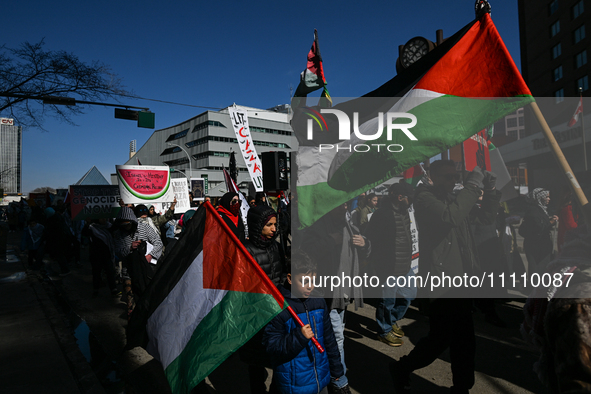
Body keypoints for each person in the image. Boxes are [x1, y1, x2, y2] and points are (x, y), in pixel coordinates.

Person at [390, 161, 501, 394]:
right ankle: (403, 368)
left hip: (460, 284)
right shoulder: (423, 196)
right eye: (447, 177)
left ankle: (461, 388)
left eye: (455, 176)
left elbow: (485, 219)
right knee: (440, 341)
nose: (452, 181)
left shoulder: (453, 198)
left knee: (463, 343)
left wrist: (490, 192)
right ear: (432, 176)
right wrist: (472, 185)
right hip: (441, 285)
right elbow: (449, 217)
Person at [263, 249, 346, 394]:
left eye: (313, 281)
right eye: (304, 281)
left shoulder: (318, 302)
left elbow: (329, 340)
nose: (310, 286)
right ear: (290, 278)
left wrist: (337, 371)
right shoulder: (279, 307)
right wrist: (298, 336)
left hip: (321, 380)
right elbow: (271, 346)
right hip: (294, 385)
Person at [240, 204, 285, 394]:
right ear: (258, 225)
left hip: (276, 312)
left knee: (279, 358)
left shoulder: (275, 246)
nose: (274, 229)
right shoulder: (245, 251)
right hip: (255, 317)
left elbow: (281, 273)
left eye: (275, 224)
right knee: (256, 362)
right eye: (269, 225)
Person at [366, 182, 417, 347]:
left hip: (405, 266)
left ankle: (392, 319)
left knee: (409, 295)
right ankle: (384, 331)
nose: (411, 202)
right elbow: (372, 240)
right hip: (388, 267)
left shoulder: (405, 212)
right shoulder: (381, 214)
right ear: (400, 197)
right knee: (386, 301)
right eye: (409, 198)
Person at [519, 188, 558, 272]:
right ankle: (536, 284)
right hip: (537, 245)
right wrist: (550, 222)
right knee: (538, 268)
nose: (549, 199)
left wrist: (550, 220)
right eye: (547, 197)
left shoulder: (540, 209)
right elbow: (537, 226)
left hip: (540, 244)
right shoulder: (533, 211)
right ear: (539, 198)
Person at [82, 218, 119, 297]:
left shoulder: (108, 226)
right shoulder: (92, 228)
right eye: (102, 218)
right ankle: (96, 290)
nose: (104, 219)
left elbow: (115, 228)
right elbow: (84, 233)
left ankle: (113, 289)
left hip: (107, 254)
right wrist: (87, 224)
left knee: (110, 272)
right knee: (96, 273)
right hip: (96, 255)